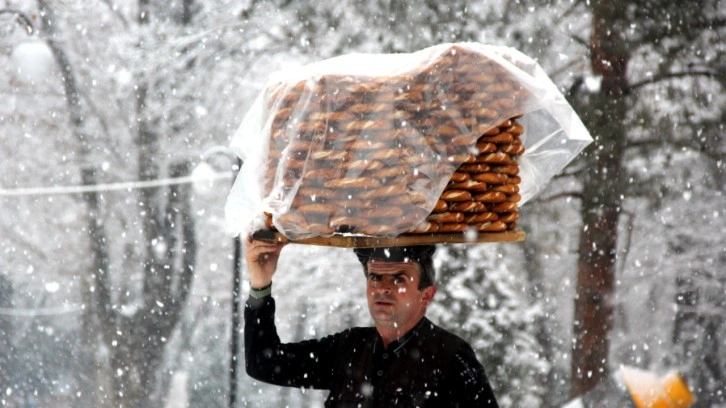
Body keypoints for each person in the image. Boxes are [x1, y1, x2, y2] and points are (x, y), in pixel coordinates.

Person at [244, 237, 500, 407]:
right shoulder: (349, 348)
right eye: (375, 278)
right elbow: (265, 363)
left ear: (426, 296)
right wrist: (260, 284)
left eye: (399, 279)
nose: (383, 289)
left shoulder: (451, 357)